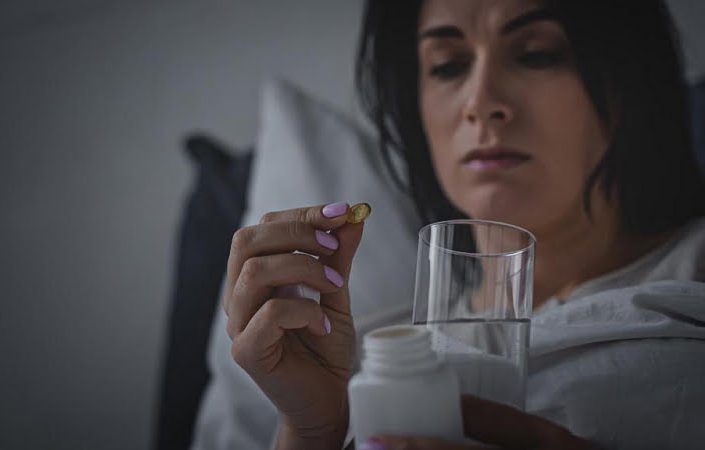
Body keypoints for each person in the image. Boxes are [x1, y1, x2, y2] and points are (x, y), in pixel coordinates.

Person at [192, 0, 705, 448]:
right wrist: (309, 434)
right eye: (447, 65)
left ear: (625, 80)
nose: (481, 102)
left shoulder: (692, 277)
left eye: (537, 54)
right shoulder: (366, 357)